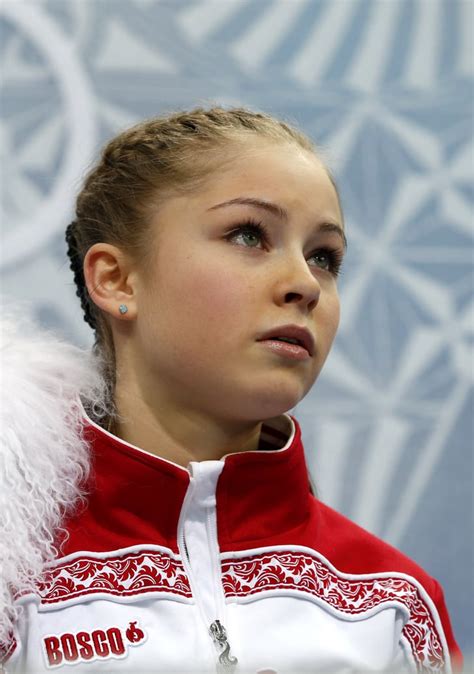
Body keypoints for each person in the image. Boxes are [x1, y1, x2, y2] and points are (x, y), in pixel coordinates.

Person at [0, 106, 462, 673]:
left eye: (324, 257)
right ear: (116, 279)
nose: (303, 284)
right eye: (249, 235)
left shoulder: (393, 606)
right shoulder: (14, 585)